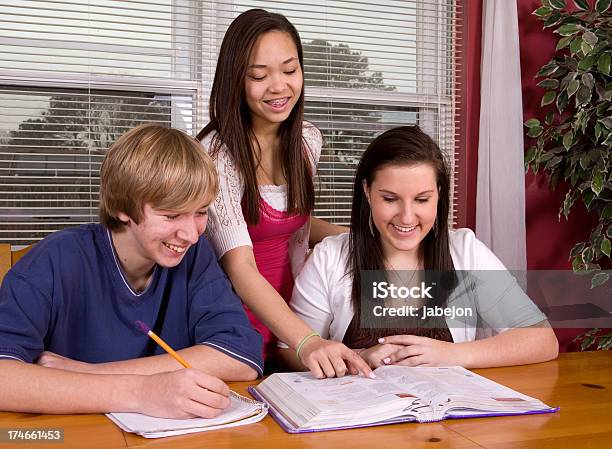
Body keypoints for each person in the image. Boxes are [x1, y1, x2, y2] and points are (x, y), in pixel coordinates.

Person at [0, 124, 263, 418]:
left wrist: (93, 374)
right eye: (171, 215)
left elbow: (241, 356)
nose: (191, 234)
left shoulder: (195, 257)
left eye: (201, 212)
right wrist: (141, 392)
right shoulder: (54, 260)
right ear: (124, 207)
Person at [281, 125, 559, 370]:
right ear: (367, 191)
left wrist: (452, 354)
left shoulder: (466, 251)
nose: (406, 217)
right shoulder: (330, 257)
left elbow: (542, 340)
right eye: (390, 199)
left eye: (422, 200)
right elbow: (289, 352)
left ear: (439, 194)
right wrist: (360, 356)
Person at [197, 8, 371, 378]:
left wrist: (368, 238)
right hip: (236, 321)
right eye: (259, 76)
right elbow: (239, 266)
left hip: (296, 316)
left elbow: (296, 227)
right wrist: (306, 341)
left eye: (290, 70)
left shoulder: (308, 140)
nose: (279, 87)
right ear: (235, 81)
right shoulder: (216, 156)